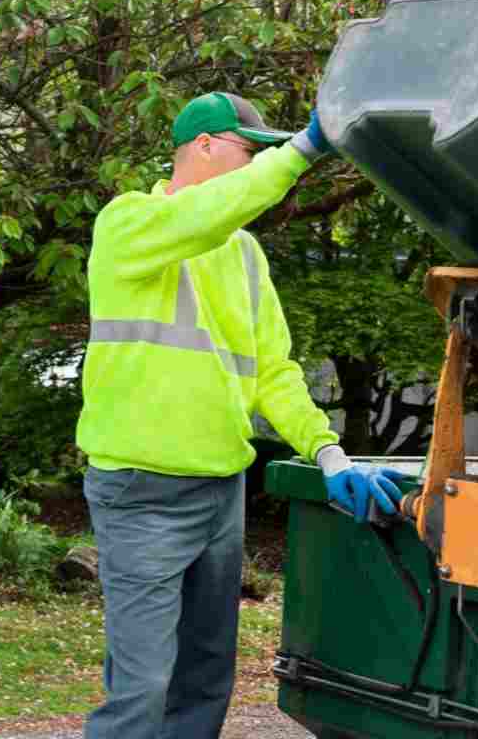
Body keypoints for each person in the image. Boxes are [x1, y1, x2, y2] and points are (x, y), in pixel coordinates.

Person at [75, 90, 405, 739]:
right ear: (202, 146)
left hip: (221, 492)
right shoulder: (127, 224)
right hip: (141, 493)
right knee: (141, 690)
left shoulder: (246, 257)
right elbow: (209, 212)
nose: (258, 164)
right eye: (248, 150)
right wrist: (302, 152)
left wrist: (327, 451)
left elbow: (275, 374)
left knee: (205, 681)